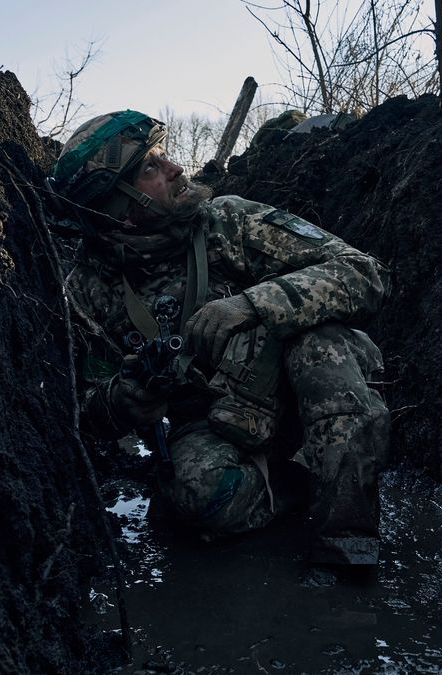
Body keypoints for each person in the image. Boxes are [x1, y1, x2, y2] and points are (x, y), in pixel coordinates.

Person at [47, 110, 390, 567]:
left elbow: (364, 272)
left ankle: (349, 543)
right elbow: (78, 410)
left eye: (163, 156)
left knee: (319, 347)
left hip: (311, 389)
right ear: (119, 210)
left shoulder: (226, 222)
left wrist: (254, 304)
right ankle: (304, 482)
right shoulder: (88, 290)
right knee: (192, 495)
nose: (175, 169)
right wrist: (122, 400)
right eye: (150, 167)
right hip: (224, 425)